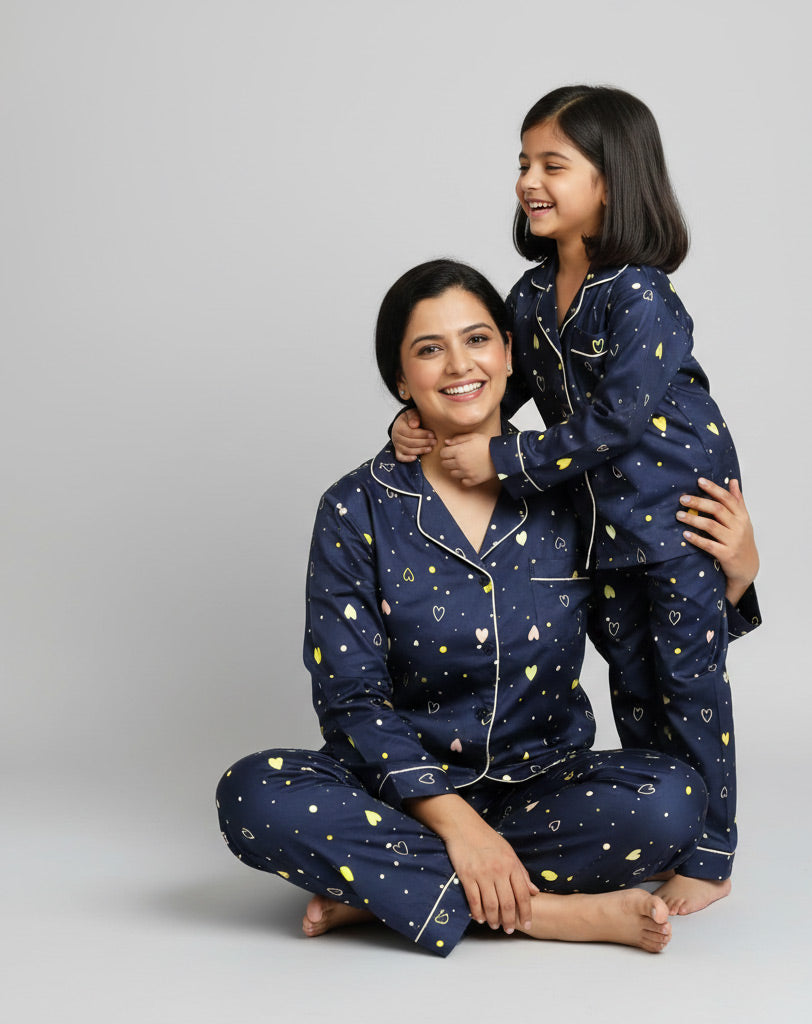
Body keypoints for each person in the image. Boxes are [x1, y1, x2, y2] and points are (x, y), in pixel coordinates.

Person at [217, 259, 752, 958]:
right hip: (401, 794)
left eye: (477, 340)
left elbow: (650, 642)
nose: (458, 364)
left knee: (672, 800)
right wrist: (458, 828)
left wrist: (737, 575)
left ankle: (391, 892)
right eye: (429, 349)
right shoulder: (356, 508)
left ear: (508, 356)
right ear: (401, 381)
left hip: (543, 790)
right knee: (253, 794)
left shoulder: (574, 497)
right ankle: (549, 914)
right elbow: (349, 699)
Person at [391, 86, 761, 917]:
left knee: (690, 684)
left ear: (612, 180)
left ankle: (712, 849)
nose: (530, 180)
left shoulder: (641, 295)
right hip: (600, 539)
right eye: (524, 162)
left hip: (677, 529)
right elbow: (500, 389)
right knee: (635, 688)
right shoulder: (527, 297)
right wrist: (417, 417)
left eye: (553, 164)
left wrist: (503, 458)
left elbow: (616, 421)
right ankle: (670, 826)